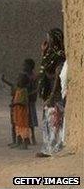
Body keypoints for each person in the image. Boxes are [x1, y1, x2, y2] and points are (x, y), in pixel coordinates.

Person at [36, 28, 66, 158]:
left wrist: (52, 96)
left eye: (50, 38)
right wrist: (43, 52)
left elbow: (57, 76)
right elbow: (44, 68)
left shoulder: (59, 56)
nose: (48, 40)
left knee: (54, 121)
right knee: (48, 122)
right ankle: (47, 148)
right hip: (48, 93)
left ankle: (54, 149)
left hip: (55, 95)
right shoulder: (50, 55)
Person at [10, 74, 31, 149]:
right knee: (17, 127)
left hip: (22, 112)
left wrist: (16, 103)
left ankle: (25, 144)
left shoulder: (24, 91)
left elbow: (24, 102)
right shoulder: (18, 90)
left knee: (23, 127)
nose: (17, 81)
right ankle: (18, 142)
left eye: (19, 80)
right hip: (17, 111)